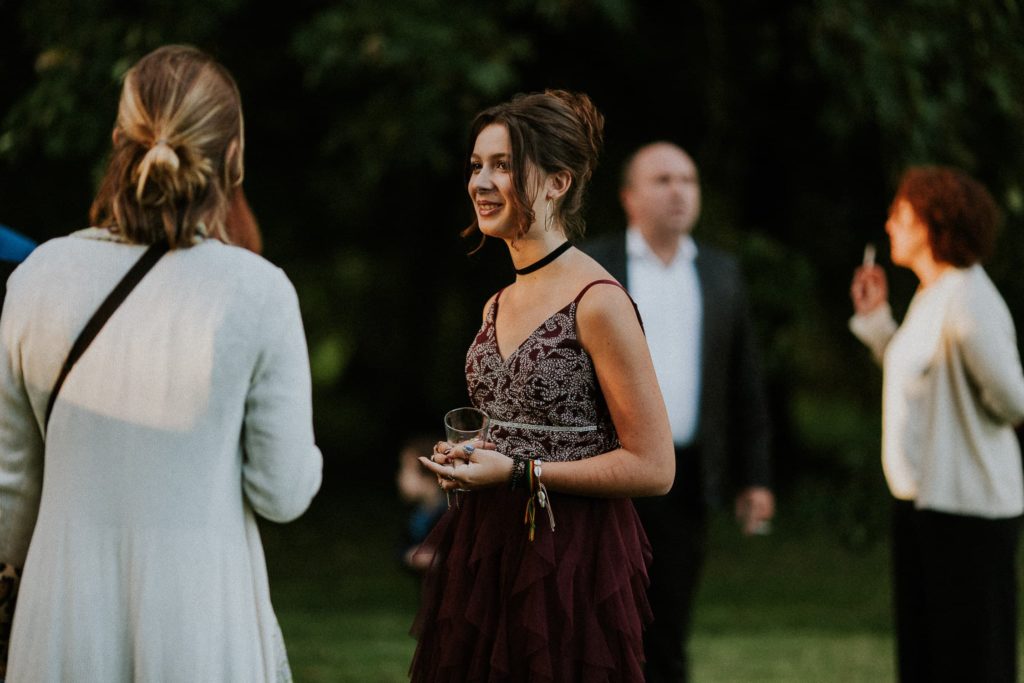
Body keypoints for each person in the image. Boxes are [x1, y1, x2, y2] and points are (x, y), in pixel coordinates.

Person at [0, 45, 322, 681]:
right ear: (233, 156)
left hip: (60, 620)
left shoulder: (38, 277)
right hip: (205, 621)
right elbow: (282, 494)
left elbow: (10, 492)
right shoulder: (258, 291)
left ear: (118, 139)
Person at [413, 90, 675, 682]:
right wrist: (476, 453)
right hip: (488, 541)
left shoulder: (599, 302)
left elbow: (655, 467)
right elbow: (515, 426)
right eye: (477, 165)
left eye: (503, 165)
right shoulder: (496, 302)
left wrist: (518, 472)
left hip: (571, 553)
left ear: (557, 182)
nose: (481, 181)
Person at [584, 141, 774, 683]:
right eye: (663, 180)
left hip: (684, 477)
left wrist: (755, 477)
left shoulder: (721, 275)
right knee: (598, 624)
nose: (679, 191)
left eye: (688, 180)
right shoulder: (595, 265)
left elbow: (746, 386)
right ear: (628, 197)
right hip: (605, 470)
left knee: (667, 627)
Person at [849, 166, 1024, 683]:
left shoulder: (969, 299)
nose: (889, 225)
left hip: (970, 513)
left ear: (934, 222)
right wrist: (879, 321)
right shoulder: (935, 293)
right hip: (927, 508)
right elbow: (923, 382)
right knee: (929, 657)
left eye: (901, 215)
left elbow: (1013, 399)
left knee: (970, 662)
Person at [396, 435, 448, 573]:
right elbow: (403, 546)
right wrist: (408, 556)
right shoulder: (414, 511)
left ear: (429, 477)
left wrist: (440, 559)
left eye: (406, 469)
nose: (400, 477)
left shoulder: (450, 514)